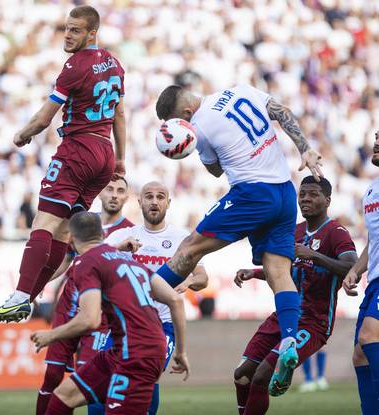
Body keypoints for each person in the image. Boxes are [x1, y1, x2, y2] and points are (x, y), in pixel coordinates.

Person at [154, 84, 323, 395]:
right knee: (279, 274)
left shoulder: (200, 126)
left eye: (181, 122)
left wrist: (191, 147)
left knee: (190, 249)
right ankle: (288, 341)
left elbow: (216, 170)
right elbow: (281, 112)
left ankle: (141, 296)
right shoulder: (239, 90)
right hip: (284, 190)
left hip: (251, 193)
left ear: (186, 114)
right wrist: (305, 148)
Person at [0, 5, 126, 323]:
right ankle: (28, 299)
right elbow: (119, 113)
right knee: (62, 234)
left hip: (77, 150)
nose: (68, 35)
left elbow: (44, 117)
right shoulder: (115, 65)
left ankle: (19, 297)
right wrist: (122, 158)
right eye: (67, 28)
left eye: (75, 30)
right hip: (104, 153)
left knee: (43, 225)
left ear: (92, 33)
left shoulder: (74, 66)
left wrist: (22, 135)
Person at [30, 212, 189, 414]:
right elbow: (175, 299)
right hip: (123, 348)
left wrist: (51, 335)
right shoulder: (128, 260)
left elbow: (90, 318)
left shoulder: (85, 262)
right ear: (101, 235)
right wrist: (181, 352)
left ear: (70, 238)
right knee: (63, 396)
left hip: (138, 354)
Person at [233, 176, 356, 415]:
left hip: (313, 322)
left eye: (313, 194)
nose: (305, 199)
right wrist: (255, 272)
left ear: (327, 200)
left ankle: (294, 373)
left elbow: (351, 267)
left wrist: (316, 256)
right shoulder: (294, 231)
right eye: (302, 195)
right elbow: (285, 269)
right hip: (284, 314)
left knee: (261, 377)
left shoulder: (336, 232)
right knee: (242, 375)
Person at [104, 181, 208, 414]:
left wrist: (188, 281)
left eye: (160, 197)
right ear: (139, 202)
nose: (154, 201)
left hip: (163, 324)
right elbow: (93, 258)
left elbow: (202, 277)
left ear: (168, 203)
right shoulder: (123, 235)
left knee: (147, 374)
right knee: (107, 377)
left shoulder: (183, 238)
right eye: (148, 196)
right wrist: (119, 248)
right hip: (125, 322)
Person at [36, 177, 134, 415]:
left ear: (126, 198)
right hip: (68, 307)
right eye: (109, 189)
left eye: (120, 191)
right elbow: (66, 261)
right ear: (100, 193)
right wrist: (41, 283)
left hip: (100, 316)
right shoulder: (83, 223)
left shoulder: (131, 231)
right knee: (52, 375)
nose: (114, 195)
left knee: (88, 376)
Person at [344, 130, 379, 415]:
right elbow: (373, 241)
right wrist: (355, 269)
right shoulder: (371, 190)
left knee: (369, 338)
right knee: (360, 356)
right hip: (374, 281)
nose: (376, 142)